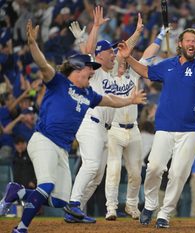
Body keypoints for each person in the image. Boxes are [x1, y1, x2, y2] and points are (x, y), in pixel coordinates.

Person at [0, 20, 146, 233]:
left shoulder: (89, 93)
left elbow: (111, 100)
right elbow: (42, 64)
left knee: (59, 201)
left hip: (62, 148)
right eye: (90, 68)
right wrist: (32, 44)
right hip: (44, 140)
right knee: (47, 185)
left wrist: (130, 101)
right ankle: (21, 228)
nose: (93, 72)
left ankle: (17, 193)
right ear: (78, 69)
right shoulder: (58, 81)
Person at [117, 27, 195, 228]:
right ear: (180, 44)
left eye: (194, 41)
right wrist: (128, 58)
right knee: (153, 168)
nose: (191, 44)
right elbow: (146, 72)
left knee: (178, 174)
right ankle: (151, 204)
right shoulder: (168, 65)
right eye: (187, 40)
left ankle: (165, 213)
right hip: (165, 127)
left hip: (191, 130)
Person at [62, 6, 144, 223]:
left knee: (97, 176)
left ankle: (76, 210)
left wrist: (138, 31)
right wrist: (96, 27)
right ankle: (72, 205)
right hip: (91, 123)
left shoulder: (112, 67)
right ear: (101, 55)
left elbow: (127, 47)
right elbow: (89, 51)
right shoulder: (96, 69)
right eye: (110, 52)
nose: (114, 54)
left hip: (105, 129)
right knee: (91, 166)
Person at [104, 27, 169, 220]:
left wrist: (159, 36)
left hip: (133, 129)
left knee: (135, 173)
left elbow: (148, 54)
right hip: (114, 129)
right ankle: (111, 208)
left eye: (124, 60)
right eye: (119, 60)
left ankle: (131, 205)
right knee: (114, 170)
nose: (122, 63)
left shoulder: (134, 74)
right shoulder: (107, 76)